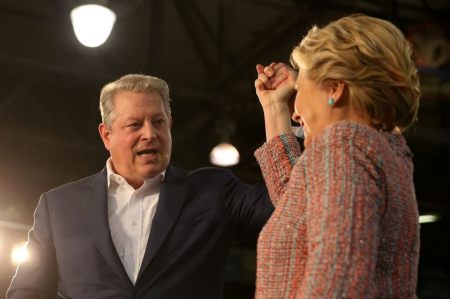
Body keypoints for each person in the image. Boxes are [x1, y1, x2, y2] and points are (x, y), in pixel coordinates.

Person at [7, 74, 273, 299]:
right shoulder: (59, 207)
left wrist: (276, 110)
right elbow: (27, 291)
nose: (150, 134)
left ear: (169, 126)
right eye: (135, 124)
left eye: (158, 122)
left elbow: (291, 206)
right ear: (106, 135)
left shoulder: (212, 192)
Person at [253, 14, 420, 298]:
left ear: (334, 89)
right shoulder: (386, 155)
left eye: (300, 91)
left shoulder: (344, 147)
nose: (295, 111)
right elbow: (298, 209)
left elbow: (336, 283)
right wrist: (274, 108)